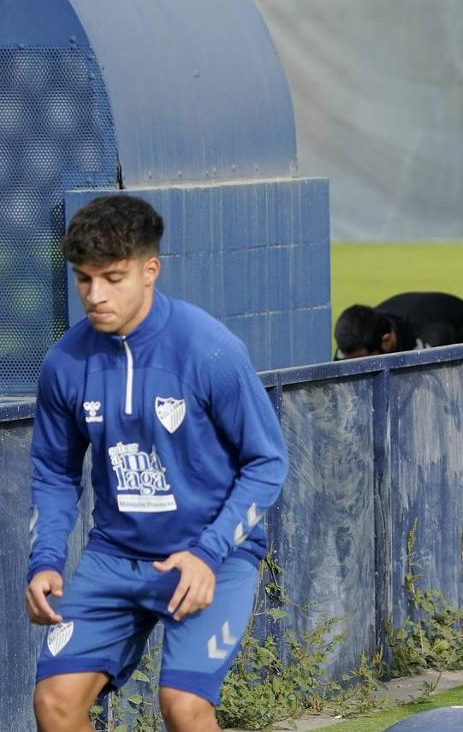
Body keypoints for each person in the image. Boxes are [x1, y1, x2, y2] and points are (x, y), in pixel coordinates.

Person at [26, 195, 288, 732]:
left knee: (184, 707)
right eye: (83, 280)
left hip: (209, 555)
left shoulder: (210, 350)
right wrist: (46, 560)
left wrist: (208, 554)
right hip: (114, 557)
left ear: (150, 270)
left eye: (113, 278)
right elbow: (55, 473)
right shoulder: (64, 364)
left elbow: (267, 463)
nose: (95, 296)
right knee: (54, 704)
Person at [334, 292, 463, 359]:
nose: (354, 365)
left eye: (361, 361)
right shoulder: (352, 346)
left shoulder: (432, 334)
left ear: (386, 340)